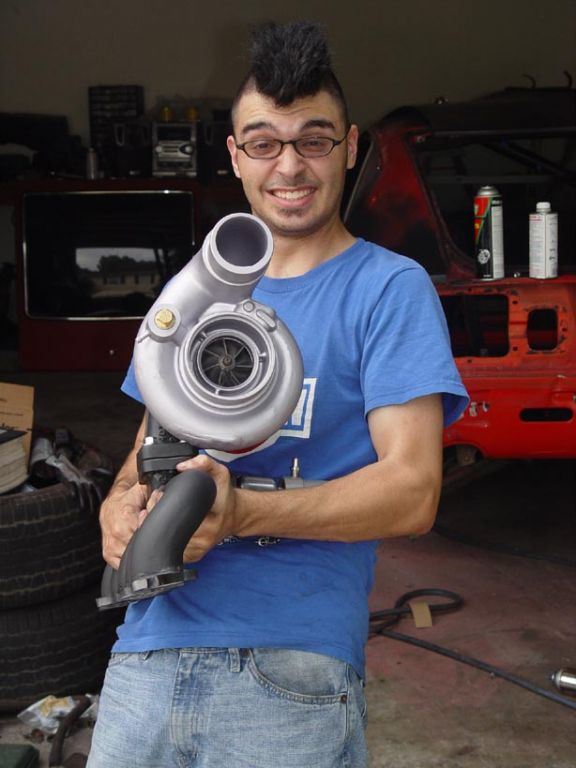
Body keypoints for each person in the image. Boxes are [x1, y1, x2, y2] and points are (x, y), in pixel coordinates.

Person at [87, 20, 468, 768]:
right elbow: (146, 449)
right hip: (147, 650)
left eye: (313, 140)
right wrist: (117, 505)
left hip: (290, 661)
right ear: (236, 156)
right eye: (264, 143)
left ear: (350, 147)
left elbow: (413, 491)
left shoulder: (388, 289)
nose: (289, 166)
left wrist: (241, 513)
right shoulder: (194, 291)